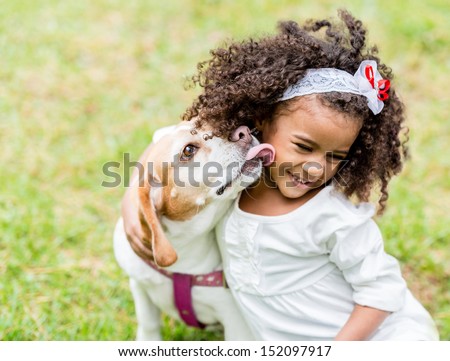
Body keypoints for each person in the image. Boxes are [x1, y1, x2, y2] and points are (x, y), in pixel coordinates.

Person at [122, 10, 439, 340]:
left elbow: (383, 292)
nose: (316, 167)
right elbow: (173, 139)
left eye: (335, 156)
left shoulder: (333, 218)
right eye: (303, 146)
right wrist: (136, 195)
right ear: (261, 119)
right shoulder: (237, 174)